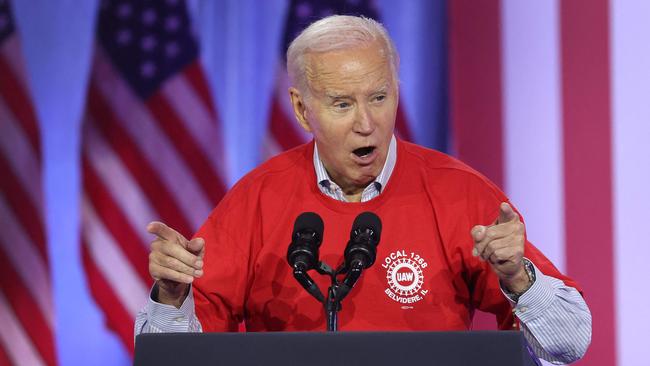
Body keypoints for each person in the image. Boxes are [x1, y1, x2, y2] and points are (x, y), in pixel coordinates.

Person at [135, 15, 591, 364]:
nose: (366, 124)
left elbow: (570, 343)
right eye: (341, 104)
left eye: (379, 97)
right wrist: (173, 298)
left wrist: (518, 277)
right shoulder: (258, 199)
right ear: (301, 109)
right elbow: (174, 358)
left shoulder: (459, 193)